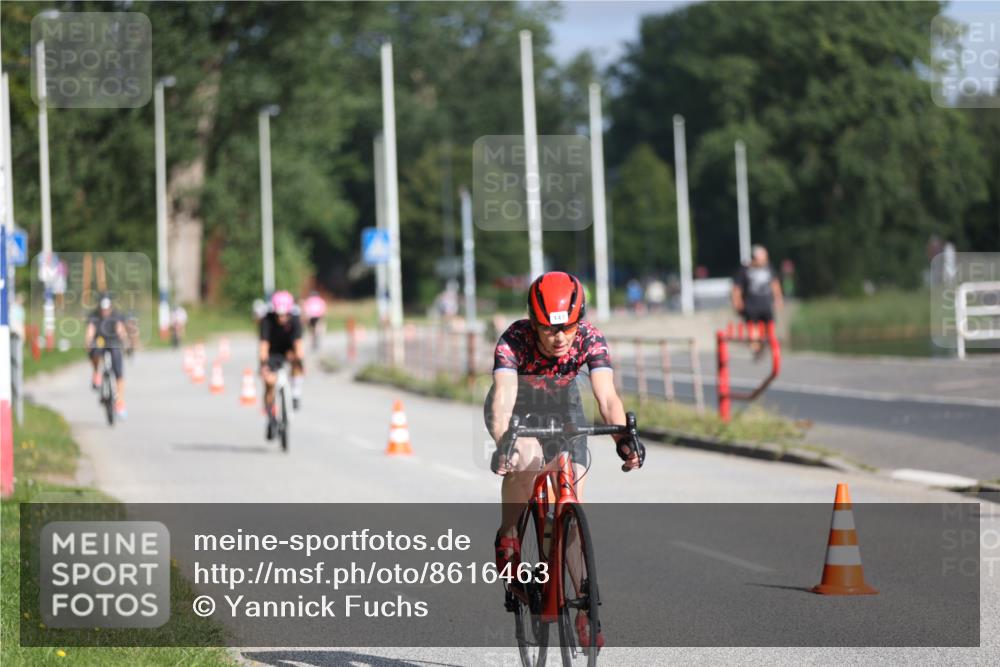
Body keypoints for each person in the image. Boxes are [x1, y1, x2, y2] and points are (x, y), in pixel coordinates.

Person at [485, 271, 645, 649]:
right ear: (533, 322)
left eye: (567, 329)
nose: (559, 339)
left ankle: (584, 610)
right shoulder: (514, 340)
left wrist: (624, 439)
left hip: (564, 406)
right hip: (520, 406)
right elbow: (503, 398)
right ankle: (508, 535)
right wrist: (502, 442)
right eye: (548, 330)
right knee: (526, 457)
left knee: (570, 508)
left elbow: (607, 398)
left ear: (579, 320)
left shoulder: (590, 338)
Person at [258, 291, 305, 437]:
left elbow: (298, 345)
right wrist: (264, 364)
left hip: (288, 351)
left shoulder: (296, 320)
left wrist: (298, 360)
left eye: (284, 315)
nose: (282, 318)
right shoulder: (267, 320)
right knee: (269, 381)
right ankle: (270, 414)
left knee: (298, 365)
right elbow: (263, 346)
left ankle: (296, 394)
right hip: (272, 352)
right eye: (279, 315)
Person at [732, 244, 784, 358]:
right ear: (755, 258)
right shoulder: (745, 269)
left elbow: (775, 284)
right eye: (763, 258)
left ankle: (766, 345)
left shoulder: (769, 268)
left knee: (768, 327)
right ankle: (755, 347)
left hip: (766, 304)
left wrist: (778, 299)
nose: (765, 260)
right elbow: (737, 288)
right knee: (753, 327)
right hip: (751, 305)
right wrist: (737, 301)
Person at [84, 294, 128, 418]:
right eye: (103, 309)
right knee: (94, 351)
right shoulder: (94, 316)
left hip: (113, 342)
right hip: (100, 342)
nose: (105, 311)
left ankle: (120, 402)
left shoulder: (116, 315)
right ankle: (96, 373)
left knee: (118, 370)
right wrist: (88, 341)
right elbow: (90, 331)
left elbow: (120, 329)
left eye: (107, 309)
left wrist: (123, 339)